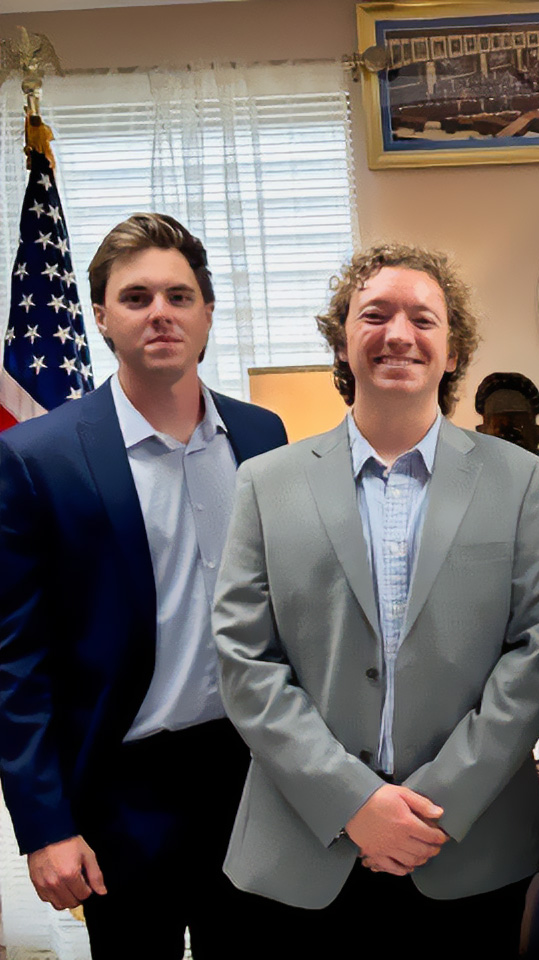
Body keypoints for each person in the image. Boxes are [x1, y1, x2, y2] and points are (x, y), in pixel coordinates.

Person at [212, 243, 539, 956]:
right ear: (342, 340)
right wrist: (353, 802)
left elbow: (537, 651)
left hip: (468, 848)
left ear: (452, 347)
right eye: (374, 315)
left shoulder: (517, 479)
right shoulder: (266, 481)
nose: (398, 334)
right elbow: (245, 659)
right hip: (302, 850)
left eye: (423, 319)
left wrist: (439, 804)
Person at [0, 213, 287, 958]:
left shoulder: (265, 437)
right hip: (122, 790)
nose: (160, 312)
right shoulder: (38, 459)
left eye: (179, 295)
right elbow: (16, 663)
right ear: (100, 316)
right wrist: (45, 827)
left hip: (254, 776)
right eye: (136, 297)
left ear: (208, 313)